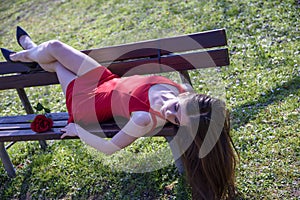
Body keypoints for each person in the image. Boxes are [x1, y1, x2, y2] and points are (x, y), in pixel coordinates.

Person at [1, 26, 237, 199]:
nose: (168, 111)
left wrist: (78, 130)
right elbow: (205, 113)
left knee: (56, 64)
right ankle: (29, 51)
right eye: (175, 107)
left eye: (175, 119)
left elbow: (109, 147)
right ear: (186, 95)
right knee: (54, 48)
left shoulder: (145, 119)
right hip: (105, 79)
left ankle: (20, 55)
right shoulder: (184, 90)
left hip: (87, 103)